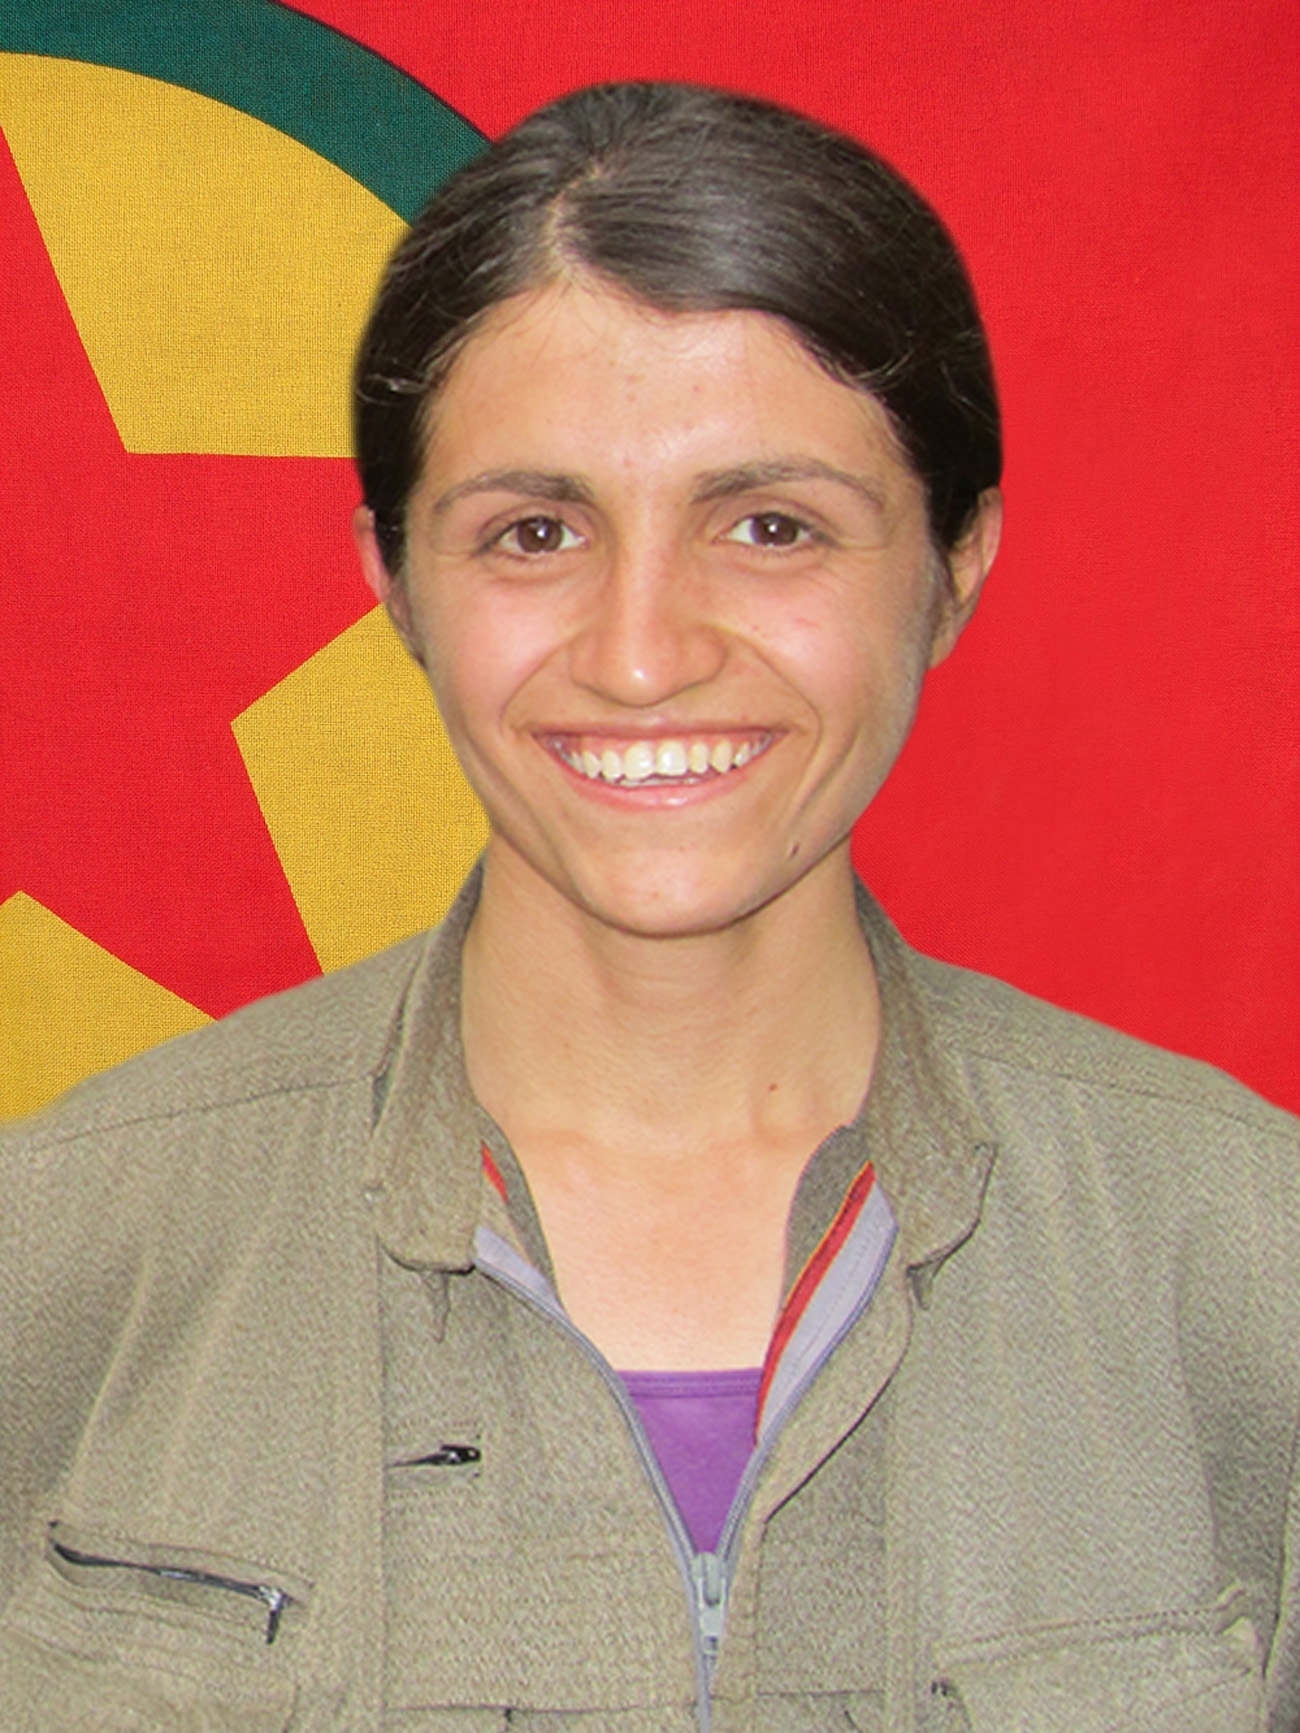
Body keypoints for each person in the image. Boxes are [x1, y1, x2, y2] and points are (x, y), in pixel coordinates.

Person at [1, 81, 1296, 1733]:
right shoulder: (58, 1254)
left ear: (956, 562)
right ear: (394, 579)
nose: (640, 652)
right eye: (535, 531)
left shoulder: (1250, 1259)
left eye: (771, 526)